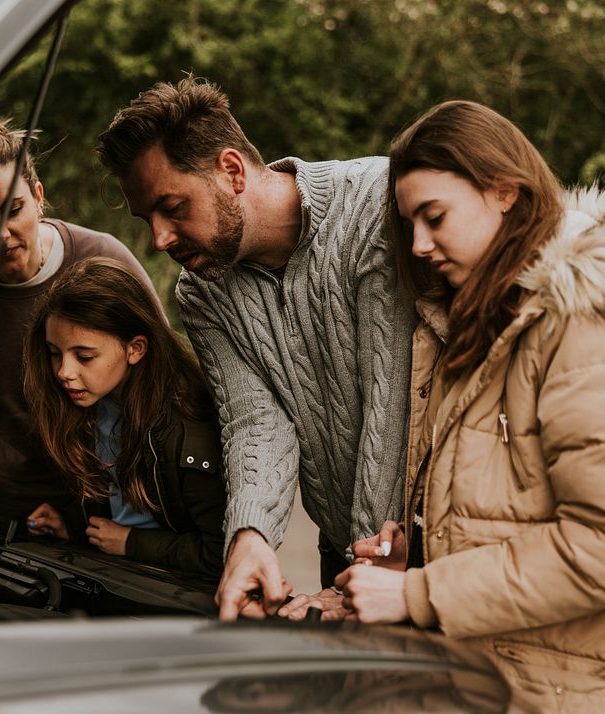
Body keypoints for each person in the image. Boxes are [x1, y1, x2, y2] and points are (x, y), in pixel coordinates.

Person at [317, 100, 605, 711]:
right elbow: (513, 513)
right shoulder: (475, 326)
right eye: (409, 223)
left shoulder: (588, 322)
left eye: (434, 217)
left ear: (504, 192)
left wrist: (419, 594)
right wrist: (418, 548)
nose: (418, 245)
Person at [97, 77, 417, 618]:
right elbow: (254, 421)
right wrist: (250, 535)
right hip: (340, 548)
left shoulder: (375, 207)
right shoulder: (201, 293)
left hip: (426, 549)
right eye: (147, 218)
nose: (159, 238)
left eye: (172, 207)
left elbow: (393, 403)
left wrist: (366, 570)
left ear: (231, 169)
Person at [0, 114, 158, 533]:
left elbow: (160, 380)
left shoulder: (104, 259)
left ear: (39, 197)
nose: (0, 233)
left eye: (13, 209)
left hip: (106, 513)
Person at [22, 258, 226, 575]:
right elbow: (120, 502)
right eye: (54, 353)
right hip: (117, 577)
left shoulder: (186, 430)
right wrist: (72, 524)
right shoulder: (94, 406)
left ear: (136, 348)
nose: (64, 372)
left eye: (84, 356)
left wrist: (131, 542)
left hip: (170, 594)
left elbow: (219, 551)